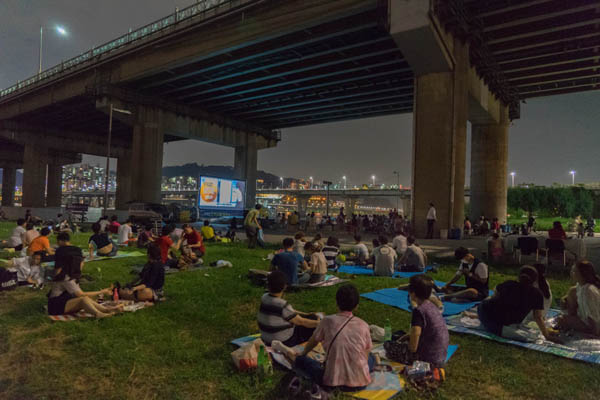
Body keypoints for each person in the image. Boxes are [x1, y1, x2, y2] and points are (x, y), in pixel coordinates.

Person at [272, 284, 374, 393]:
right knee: (371, 358)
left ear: (337, 303)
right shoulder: (364, 325)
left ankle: (286, 351)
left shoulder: (327, 321)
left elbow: (314, 340)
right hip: (360, 383)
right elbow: (365, 353)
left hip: (332, 383)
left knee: (304, 362)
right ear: (356, 306)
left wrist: (304, 353)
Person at [477, 266, 559, 342]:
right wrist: (546, 335)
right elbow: (538, 317)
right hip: (498, 321)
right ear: (534, 280)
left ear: (519, 276)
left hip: (487, 314)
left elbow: (495, 297)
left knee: (489, 302)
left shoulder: (509, 284)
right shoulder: (537, 294)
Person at [391, 275, 449, 366]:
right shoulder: (431, 306)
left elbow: (413, 347)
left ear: (413, 293)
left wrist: (401, 346)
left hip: (427, 361)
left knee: (390, 347)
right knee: (401, 336)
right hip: (440, 356)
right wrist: (404, 338)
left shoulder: (418, 311)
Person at [47, 253, 122, 318]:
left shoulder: (71, 276)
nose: (83, 264)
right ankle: (98, 314)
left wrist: (99, 294)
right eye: (82, 263)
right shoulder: (66, 278)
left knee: (85, 298)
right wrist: (101, 292)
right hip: (55, 306)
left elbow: (81, 294)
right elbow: (80, 295)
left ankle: (106, 310)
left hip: (64, 302)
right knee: (83, 299)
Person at [257, 270, 321, 346]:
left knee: (308, 317)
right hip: (284, 341)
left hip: (265, 337)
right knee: (313, 319)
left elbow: (289, 312)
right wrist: (320, 323)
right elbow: (301, 322)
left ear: (268, 285)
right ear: (284, 286)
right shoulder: (282, 305)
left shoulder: (264, 297)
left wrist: (305, 314)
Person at [557, 261, 600, 336]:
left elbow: (593, 317)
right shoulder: (581, 286)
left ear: (582, 274)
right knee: (572, 291)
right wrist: (564, 299)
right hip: (586, 320)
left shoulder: (587, 291)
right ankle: (572, 318)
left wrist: (593, 332)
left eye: (574, 271)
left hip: (594, 326)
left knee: (562, 320)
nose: (571, 273)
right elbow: (573, 292)